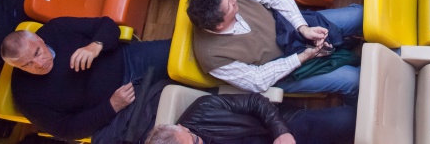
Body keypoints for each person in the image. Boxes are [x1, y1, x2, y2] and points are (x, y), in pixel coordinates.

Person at [1, 16, 173, 142]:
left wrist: (95, 45)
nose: (38, 64)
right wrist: (111, 106)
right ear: (17, 67)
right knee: (166, 134)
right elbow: (66, 130)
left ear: (39, 38)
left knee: (180, 56)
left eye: (37, 52)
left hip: (128, 61)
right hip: (112, 113)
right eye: (27, 64)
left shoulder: (55, 28)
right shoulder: (25, 95)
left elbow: (107, 25)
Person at [186, 0, 363, 99]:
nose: (234, 0)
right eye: (229, 5)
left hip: (288, 28)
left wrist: (302, 28)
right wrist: (302, 57)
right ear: (219, 25)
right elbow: (257, 80)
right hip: (285, 70)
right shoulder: (213, 57)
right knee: (353, 79)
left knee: (359, 15)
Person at [144, 94, 356, 144]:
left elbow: (255, 101)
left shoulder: (204, 108)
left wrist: (281, 132)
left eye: (195, 141)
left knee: (350, 121)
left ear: (182, 127)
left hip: (280, 128)